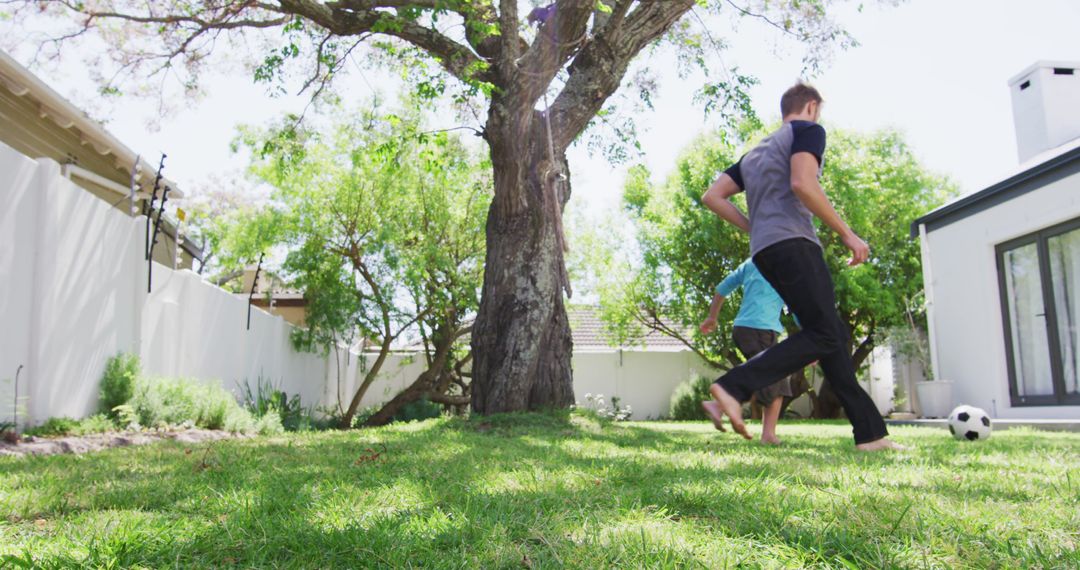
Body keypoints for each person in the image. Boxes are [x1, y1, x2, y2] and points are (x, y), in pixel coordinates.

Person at [699, 83, 903, 452]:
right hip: (795, 244)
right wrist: (848, 234)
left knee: (831, 337)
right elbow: (802, 183)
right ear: (811, 107)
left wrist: (755, 227)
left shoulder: (753, 154)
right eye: (818, 112)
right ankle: (733, 387)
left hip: (766, 249)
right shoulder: (808, 131)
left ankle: (871, 436)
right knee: (827, 335)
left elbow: (712, 196)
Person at [699, 258, 793, 445]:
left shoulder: (752, 263)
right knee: (771, 377)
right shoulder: (783, 264)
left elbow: (721, 289)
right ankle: (719, 404)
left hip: (754, 330)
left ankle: (768, 434)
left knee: (777, 381)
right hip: (757, 330)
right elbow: (798, 307)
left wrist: (712, 317)